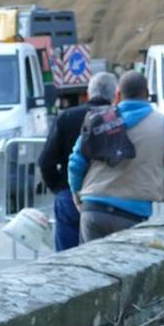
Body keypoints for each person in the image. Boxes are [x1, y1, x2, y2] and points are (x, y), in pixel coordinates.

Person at [68, 71, 164, 242]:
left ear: (118, 94)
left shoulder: (99, 120)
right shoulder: (163, 124)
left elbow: (76, 162)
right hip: (132, 213)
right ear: (147, 94)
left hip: (93, 209)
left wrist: (76, 192)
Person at [38, 72, 117, 251]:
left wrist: (60, 187)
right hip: (108, 195)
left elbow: (45, 161)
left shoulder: (67, 117)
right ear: (114, 95)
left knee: (68, 256)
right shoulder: (117, 120)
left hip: (71, 193)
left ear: (88, 93)